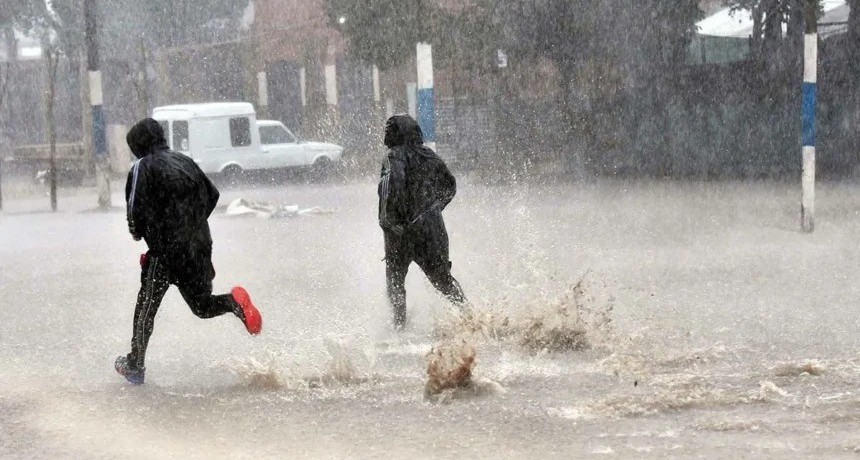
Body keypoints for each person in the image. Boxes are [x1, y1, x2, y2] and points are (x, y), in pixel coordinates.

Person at [115, 118, 262, 385]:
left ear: (138, 145)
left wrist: (141, 233)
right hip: (198, 247)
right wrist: (190, 226)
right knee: (202, 306)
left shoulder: (142, 167)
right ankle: (234, 304)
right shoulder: (185, 162)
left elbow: (134, 210)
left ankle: (135, 365)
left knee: (146, 307)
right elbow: (213, 195)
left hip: (164, 252)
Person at [377, 114, 469, 329]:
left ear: (395, 134)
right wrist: (433, 209)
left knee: (395, 282)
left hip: (401, 231)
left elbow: (394, 186)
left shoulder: (393, 156)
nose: (385, 134)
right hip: (432, 229)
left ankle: (399, 327)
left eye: (389, 129)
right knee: (443, 280)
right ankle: (471, 318)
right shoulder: (429, 155)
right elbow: (449, 185)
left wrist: (389, 221)